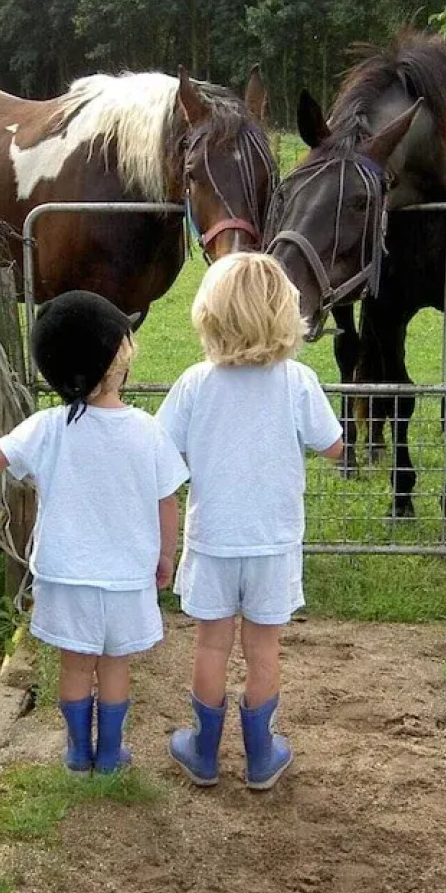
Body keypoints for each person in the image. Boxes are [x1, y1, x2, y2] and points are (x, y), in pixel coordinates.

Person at [0, 290, 187, 774]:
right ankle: (110, 755)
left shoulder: (48, 427)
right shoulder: (148, 430)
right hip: (126, 577)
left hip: (66, 575)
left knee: (75, 665)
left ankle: (77, 752)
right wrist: (166, 556)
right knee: (114, 665)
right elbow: (167, 501)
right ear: (118, 359)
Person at [157, 253, 344, 790]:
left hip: (214, 540)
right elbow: (333, 446)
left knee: (211, 645)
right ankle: (262, 756)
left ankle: (204, 752)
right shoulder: (299, 382)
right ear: (286, 314)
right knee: (264, 648)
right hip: (274, 542)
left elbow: (161, 455)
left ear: (209, 315)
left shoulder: (195, 384)